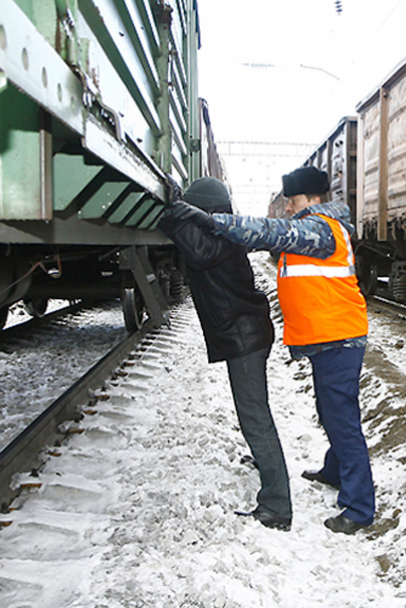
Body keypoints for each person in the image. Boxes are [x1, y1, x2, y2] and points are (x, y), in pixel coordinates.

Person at [162, 166, 375, 535]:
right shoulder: (316, 227)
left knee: (342, 419)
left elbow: (269, 231)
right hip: (326, 336)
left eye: (292, 201)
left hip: (339, 337)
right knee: (330, 410)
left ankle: (359, 508)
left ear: (312, 199)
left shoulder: (320, 229)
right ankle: (335, 470)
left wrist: (211, 219)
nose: (288, 208)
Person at [157, 177, 292, 531]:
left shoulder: (218, 240)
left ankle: (277, 506)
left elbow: (197, 252)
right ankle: (267, 468)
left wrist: (170, 211)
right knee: (254, 414)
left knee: (255, 417)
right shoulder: (223, 233)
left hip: (245, 338)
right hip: (247, 333)